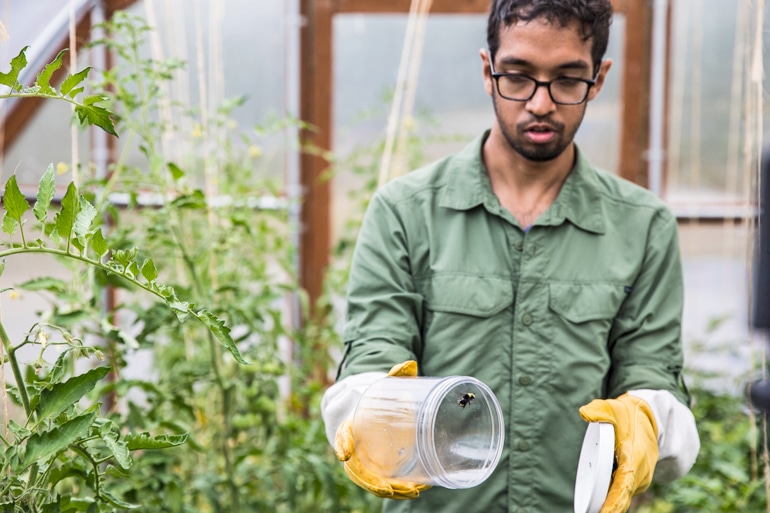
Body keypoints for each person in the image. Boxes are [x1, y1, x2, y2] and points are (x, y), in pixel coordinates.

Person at [321, 0, 701, 511]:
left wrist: (649, 419)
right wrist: (367, 411)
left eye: (567, 80)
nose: (541, 104)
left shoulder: (642, 226)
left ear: (599, 77)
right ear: (488, 70)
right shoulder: (405, 212)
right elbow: (373, 360)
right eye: (518, 76)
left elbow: (653, 377)